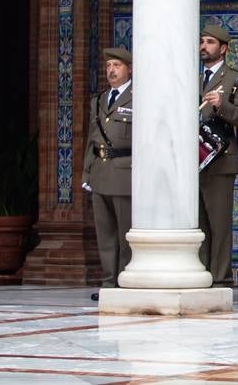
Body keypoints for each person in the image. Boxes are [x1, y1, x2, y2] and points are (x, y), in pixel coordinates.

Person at [198, 23, 238, 288]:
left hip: (219, 158)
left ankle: (220, 277)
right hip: (192, 160)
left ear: (223, 48)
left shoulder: (235, 78)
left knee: (219, 224)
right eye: (202, 41)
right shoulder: (191, 76)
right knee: (197, 224)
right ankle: (199, 274)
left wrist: (223, 106)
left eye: (210, 42)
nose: (204, 47)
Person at [83, 47, 133, 300]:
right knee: (105, 233)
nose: (111, 71)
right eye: (108, 66)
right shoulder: (100, 100)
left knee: (125, 232)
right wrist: (87, 173)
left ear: (129, 69)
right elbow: (93, 139)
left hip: (125, 172)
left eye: (117, 65)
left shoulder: (138, 98)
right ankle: (109, 282)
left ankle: (126, 280)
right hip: (101, 172)